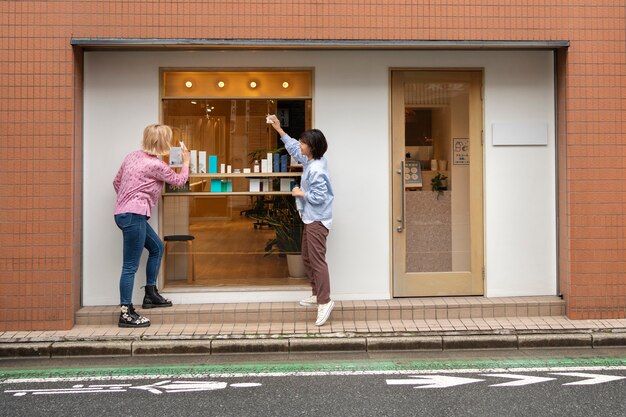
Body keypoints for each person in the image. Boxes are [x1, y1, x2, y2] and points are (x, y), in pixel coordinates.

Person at [113, 124, 190, 328]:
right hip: (134, 215)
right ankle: (126, 313)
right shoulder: (156, 165)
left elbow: (116, 182)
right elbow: (180, 180)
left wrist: (128, 198)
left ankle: (150, 293)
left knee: (157, 247)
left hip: (125, 213)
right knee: (129, 266)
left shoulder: (132, 156)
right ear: (163, 142)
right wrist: (187, 161)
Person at [267, 115, 335, 326]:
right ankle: (317, 294)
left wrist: (300, 193)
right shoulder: (314, 160)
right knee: (307, 257)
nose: (300, 145)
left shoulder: (316, 170)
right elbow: (294, 149)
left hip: (317, 220)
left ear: (312, 147)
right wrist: (279, 130)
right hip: (310, 219)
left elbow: (321, 197)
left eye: (304, 143)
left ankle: (325, 301)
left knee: (316, 261)